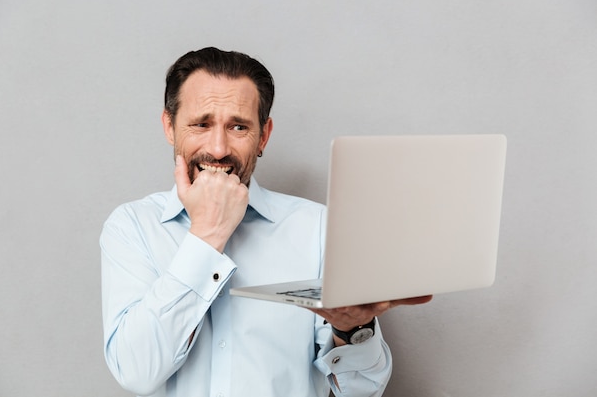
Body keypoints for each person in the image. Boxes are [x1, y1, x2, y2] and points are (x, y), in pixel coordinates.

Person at [100, 47, 431, 397]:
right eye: (201, 124)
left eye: (238, 126)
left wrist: (353, 329)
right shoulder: (132, 227)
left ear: (263, 136)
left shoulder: (318, 229)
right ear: (169, 126)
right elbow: (136, 372)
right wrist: (207, 235)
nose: (217, 149)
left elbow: (364, 390)